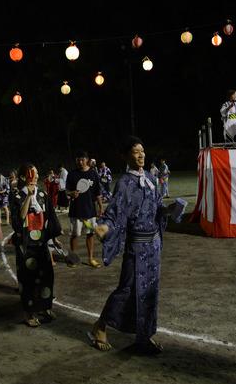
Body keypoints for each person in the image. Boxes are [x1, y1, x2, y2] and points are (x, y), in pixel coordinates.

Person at [88, 136, 174, 355]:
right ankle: (100, 326)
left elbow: (156, 208)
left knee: (150, 291)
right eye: (136, 151)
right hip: (136, 247)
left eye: (142, 151)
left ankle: (144, 337)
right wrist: (105, 227)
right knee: (127, 289)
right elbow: (115, 213)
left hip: (153, 247)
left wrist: (168, 210)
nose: (141, 155)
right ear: (125, 156)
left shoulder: (150, 178)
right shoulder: (124, 183)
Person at [10, 163, 62, 327]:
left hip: (41, 242)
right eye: (33, 173)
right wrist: (28, 198)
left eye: (38, 172)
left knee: (46, 276)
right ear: (25, 177)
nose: (37, 176)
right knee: (28, 279)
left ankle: (45, 307)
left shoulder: (42, 194)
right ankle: (29, 312)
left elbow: (50, 217)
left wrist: (53, 237)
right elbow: (18, 220)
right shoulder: (17, 195)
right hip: (25, 244)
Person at [66, 150, 103, 268]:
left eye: (82, 159)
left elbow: (98, 193)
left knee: (90, 234)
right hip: (76, 212)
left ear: (87, 160)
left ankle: (91, 258)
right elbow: (66, 191)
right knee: (75, 235)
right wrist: (71, 193)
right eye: (78, 160)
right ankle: (73, 258)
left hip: (90, 212)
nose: (80, 162)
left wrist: (100, 207)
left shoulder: (93, 174)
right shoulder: (72, 174)